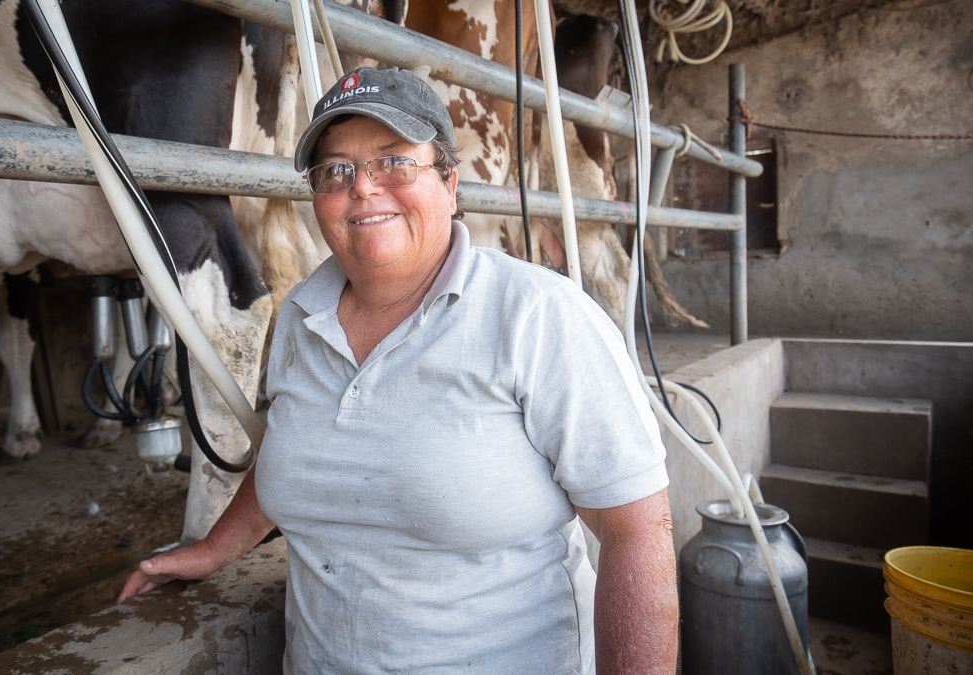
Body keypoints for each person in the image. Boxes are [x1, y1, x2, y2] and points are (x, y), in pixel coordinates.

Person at [119, 66, 678, 673]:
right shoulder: (303, 318)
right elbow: (295, 451)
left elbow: (636, 533)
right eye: (336, 171)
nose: (363, 188)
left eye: (394, 162)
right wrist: (211, 550)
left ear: (451, 183)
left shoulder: (539, 316)